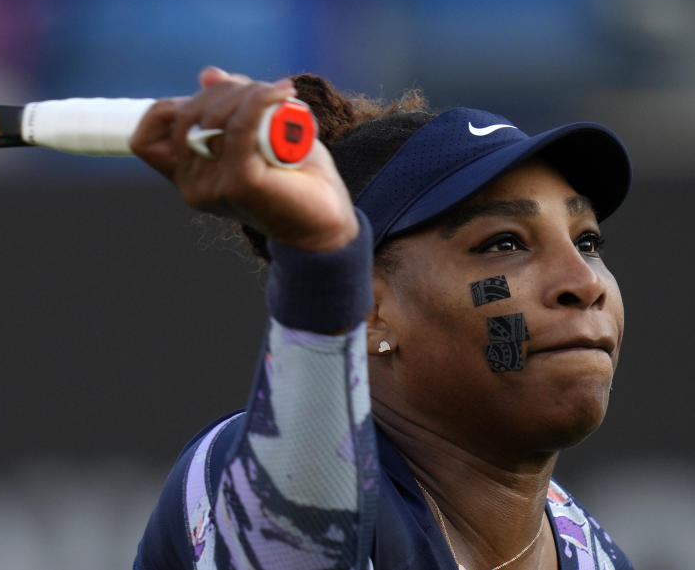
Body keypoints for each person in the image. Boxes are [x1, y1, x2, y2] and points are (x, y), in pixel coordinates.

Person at [129, 66, 633, 570]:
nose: (585, 284)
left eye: (587, 241)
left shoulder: (596, 556)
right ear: (368, 311)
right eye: (504, 243)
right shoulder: (249, 469)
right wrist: (320, 267)